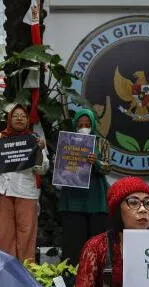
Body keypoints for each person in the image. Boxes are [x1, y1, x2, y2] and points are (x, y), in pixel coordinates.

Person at [0, 104, 49, 262]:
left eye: (23, 116)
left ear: (28, 120)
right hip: (3, 191)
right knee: (4, 236)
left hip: (27, 192)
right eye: (15, 115)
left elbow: (42, 170)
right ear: (9, 119)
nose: (19, 118)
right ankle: (9, 277)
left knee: (27, 235)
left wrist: (39, 150)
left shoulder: (34, 139)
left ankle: (27, 276)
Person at [58, 107, 111, 264]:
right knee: (73, 243)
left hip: (95, 198)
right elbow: (62, 169)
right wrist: (59, 163)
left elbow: (108, 167)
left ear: (93, 124)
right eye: (80, 125)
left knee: (96, 242)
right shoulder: (68, 143)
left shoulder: (102, 142)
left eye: (87, 124)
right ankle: (71, 278)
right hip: (72, 198)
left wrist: (97, 162)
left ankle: (96, 278)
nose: (83, 128)